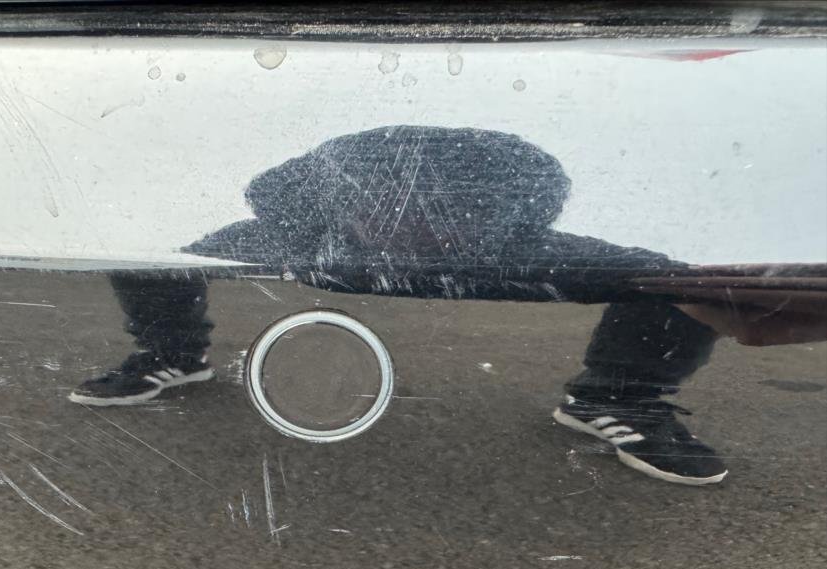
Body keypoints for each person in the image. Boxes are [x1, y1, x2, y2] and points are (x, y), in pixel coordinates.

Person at [70, 126, 728, 485]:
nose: (416, 217)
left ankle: (618, 399)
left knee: (673, 278)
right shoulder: (289, 232)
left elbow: (679, 277)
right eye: (389, 195)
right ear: (333, 198)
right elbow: (162, 252)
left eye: (455, 201)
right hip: (334, 245)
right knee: (152, 257)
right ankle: (171, 355)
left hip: (489, 258)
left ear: (514, 211)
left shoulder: (529, 250)